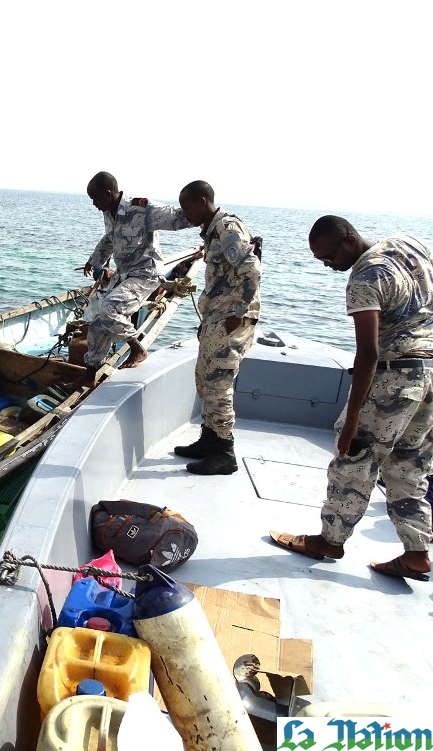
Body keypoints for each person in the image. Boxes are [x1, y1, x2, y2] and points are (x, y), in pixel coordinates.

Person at [269, 216, 433, 582]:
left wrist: (354, 416)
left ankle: (329, 542)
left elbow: (369, 353)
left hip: (395, 377)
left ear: (348, 239)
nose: (328, 265)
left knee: (353, 460)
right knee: (410, 466)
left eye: (328, 256)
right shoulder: (408, 243)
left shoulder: (363, 277)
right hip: (430, 373)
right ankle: (417, 554)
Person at [172, 181, 261, 475]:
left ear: (203, 201)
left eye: (187, 207)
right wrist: (208, 321)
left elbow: (252, 271)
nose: (185, 214)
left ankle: (224, 453)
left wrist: (238, 313)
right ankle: (209, 440)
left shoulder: (227, 229)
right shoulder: (213, 232)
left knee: (218, 386)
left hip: (230, 321)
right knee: (205, 381)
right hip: (216, 320)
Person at [70, 172, 191, 388]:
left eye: (95, 198)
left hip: (146, 273)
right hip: (124, 274)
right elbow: (109, 239)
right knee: (98, 324)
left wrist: (210, 222)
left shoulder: (142, 209)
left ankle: (137, 348)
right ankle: (90, 373)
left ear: (108, 193)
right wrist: (94, 261)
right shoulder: (109, 212)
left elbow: (179, 217)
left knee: (110, 309)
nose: (94, 204)